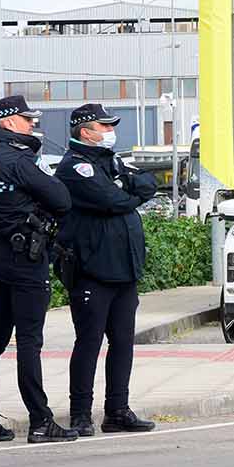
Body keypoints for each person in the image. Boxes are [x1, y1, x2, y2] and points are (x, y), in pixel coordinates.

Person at [0, 95, 78, 444]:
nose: (33, 125)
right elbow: (61, 200)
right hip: (26, 259)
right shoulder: (17, 161)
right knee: (29, 341)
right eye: (28, 120)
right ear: (11, 122)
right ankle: (41, 421)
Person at [56, 103, 160, 436]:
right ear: (86, 131)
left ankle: (117, 410)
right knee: (89, 342)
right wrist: (127, 194)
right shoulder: (76, 167)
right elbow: (112, 201)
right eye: (104, 126)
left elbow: (147, 183)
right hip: (92, 271)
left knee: (123, 342)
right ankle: (80, 414)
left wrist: (126, 191)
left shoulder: (110, 161)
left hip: (124, 271)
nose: (109, 131)